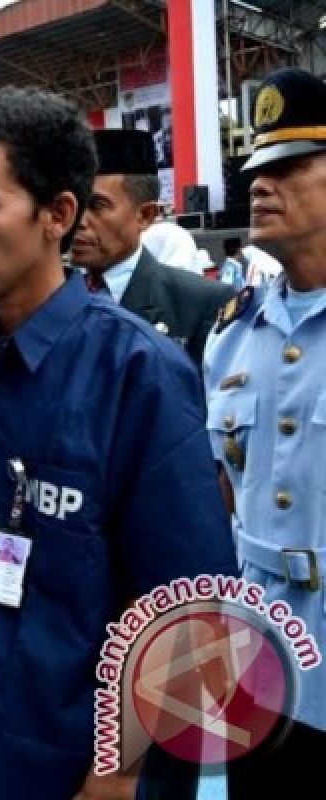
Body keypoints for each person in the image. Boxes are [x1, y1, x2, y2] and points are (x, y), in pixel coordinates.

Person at [0, 87, 237, 800]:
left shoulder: (139, 375)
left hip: (73, 762)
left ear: (57, 215)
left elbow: (189, 608)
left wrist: (118, 771)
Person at [203, 67, 326, 798]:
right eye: (256, 168)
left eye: (288, 166)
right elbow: (222, 490)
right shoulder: (232, 336)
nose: (260, 183)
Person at [70, 128, 233, 366]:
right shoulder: (51, 298)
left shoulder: (199, 302)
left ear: (145, 215)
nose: (79, 221)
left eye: (97, 206)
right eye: (74, 204)